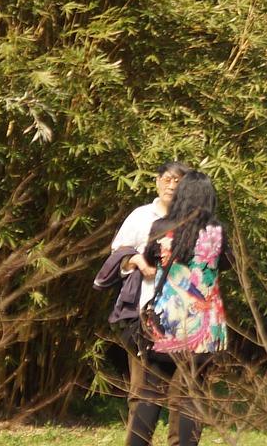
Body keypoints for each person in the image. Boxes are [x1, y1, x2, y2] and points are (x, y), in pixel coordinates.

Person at [128, 170, 228, 446]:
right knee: (192, 393)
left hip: (166, 322)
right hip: (205, 325)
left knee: (151, 391)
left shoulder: (161, 227)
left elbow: (150, 256)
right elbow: (225, 263)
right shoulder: (216, 230)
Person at [96, 163, 188, 432]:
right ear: (157, 181)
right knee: (144, 390)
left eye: (178, 181)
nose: (172, 186)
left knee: (185, 397)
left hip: (187, 318)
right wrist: (136, 259)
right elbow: (117, 253)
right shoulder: (140, 216)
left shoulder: (194, 218)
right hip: (146, 315)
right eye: (167, 180)